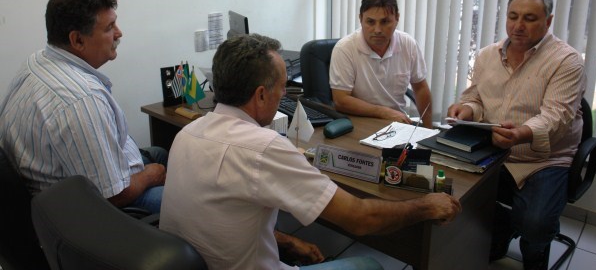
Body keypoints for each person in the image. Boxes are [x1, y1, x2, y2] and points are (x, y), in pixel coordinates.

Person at [160, 33, 461, 270]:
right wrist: (425, 206)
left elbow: (219, 217)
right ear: (261, 94)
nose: (283, 96)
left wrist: (285, 240)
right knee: (369, 264)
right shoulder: (263, 148)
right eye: (282, 88)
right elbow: (360, 219)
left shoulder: (188, 133)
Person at [447, 0, 586, 270]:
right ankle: (498, 235)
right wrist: (466, 110)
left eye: (530, 18)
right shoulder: (487, 55)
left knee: (535, 224)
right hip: (492, 151)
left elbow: (556, 117)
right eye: (513, 16)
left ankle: (534, 256)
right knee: (454, 195)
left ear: (548, 22)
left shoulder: (567, 61)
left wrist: (520, 134)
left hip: (542, 159)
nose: (518, 25)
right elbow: (473, 97)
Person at [0, 0, 166, 214]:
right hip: (90, 210)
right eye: (109, 28)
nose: (119, 33)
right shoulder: (81, 100)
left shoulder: (37, 61)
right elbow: (112, 195)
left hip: (70, 180)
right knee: (190, 202)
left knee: (162, 153)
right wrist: (149, 176)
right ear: (77, 40)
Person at [329, 0, 433, 128]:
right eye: (370, 22)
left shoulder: (408, 44)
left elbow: (420, 88)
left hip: (396, 124)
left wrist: (428, 130)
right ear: (360, 19)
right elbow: (341, 100)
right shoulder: (344, 48)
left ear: (397, 19)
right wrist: (384, 112)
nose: (377, 30)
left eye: (385, 22)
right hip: (358, 122)